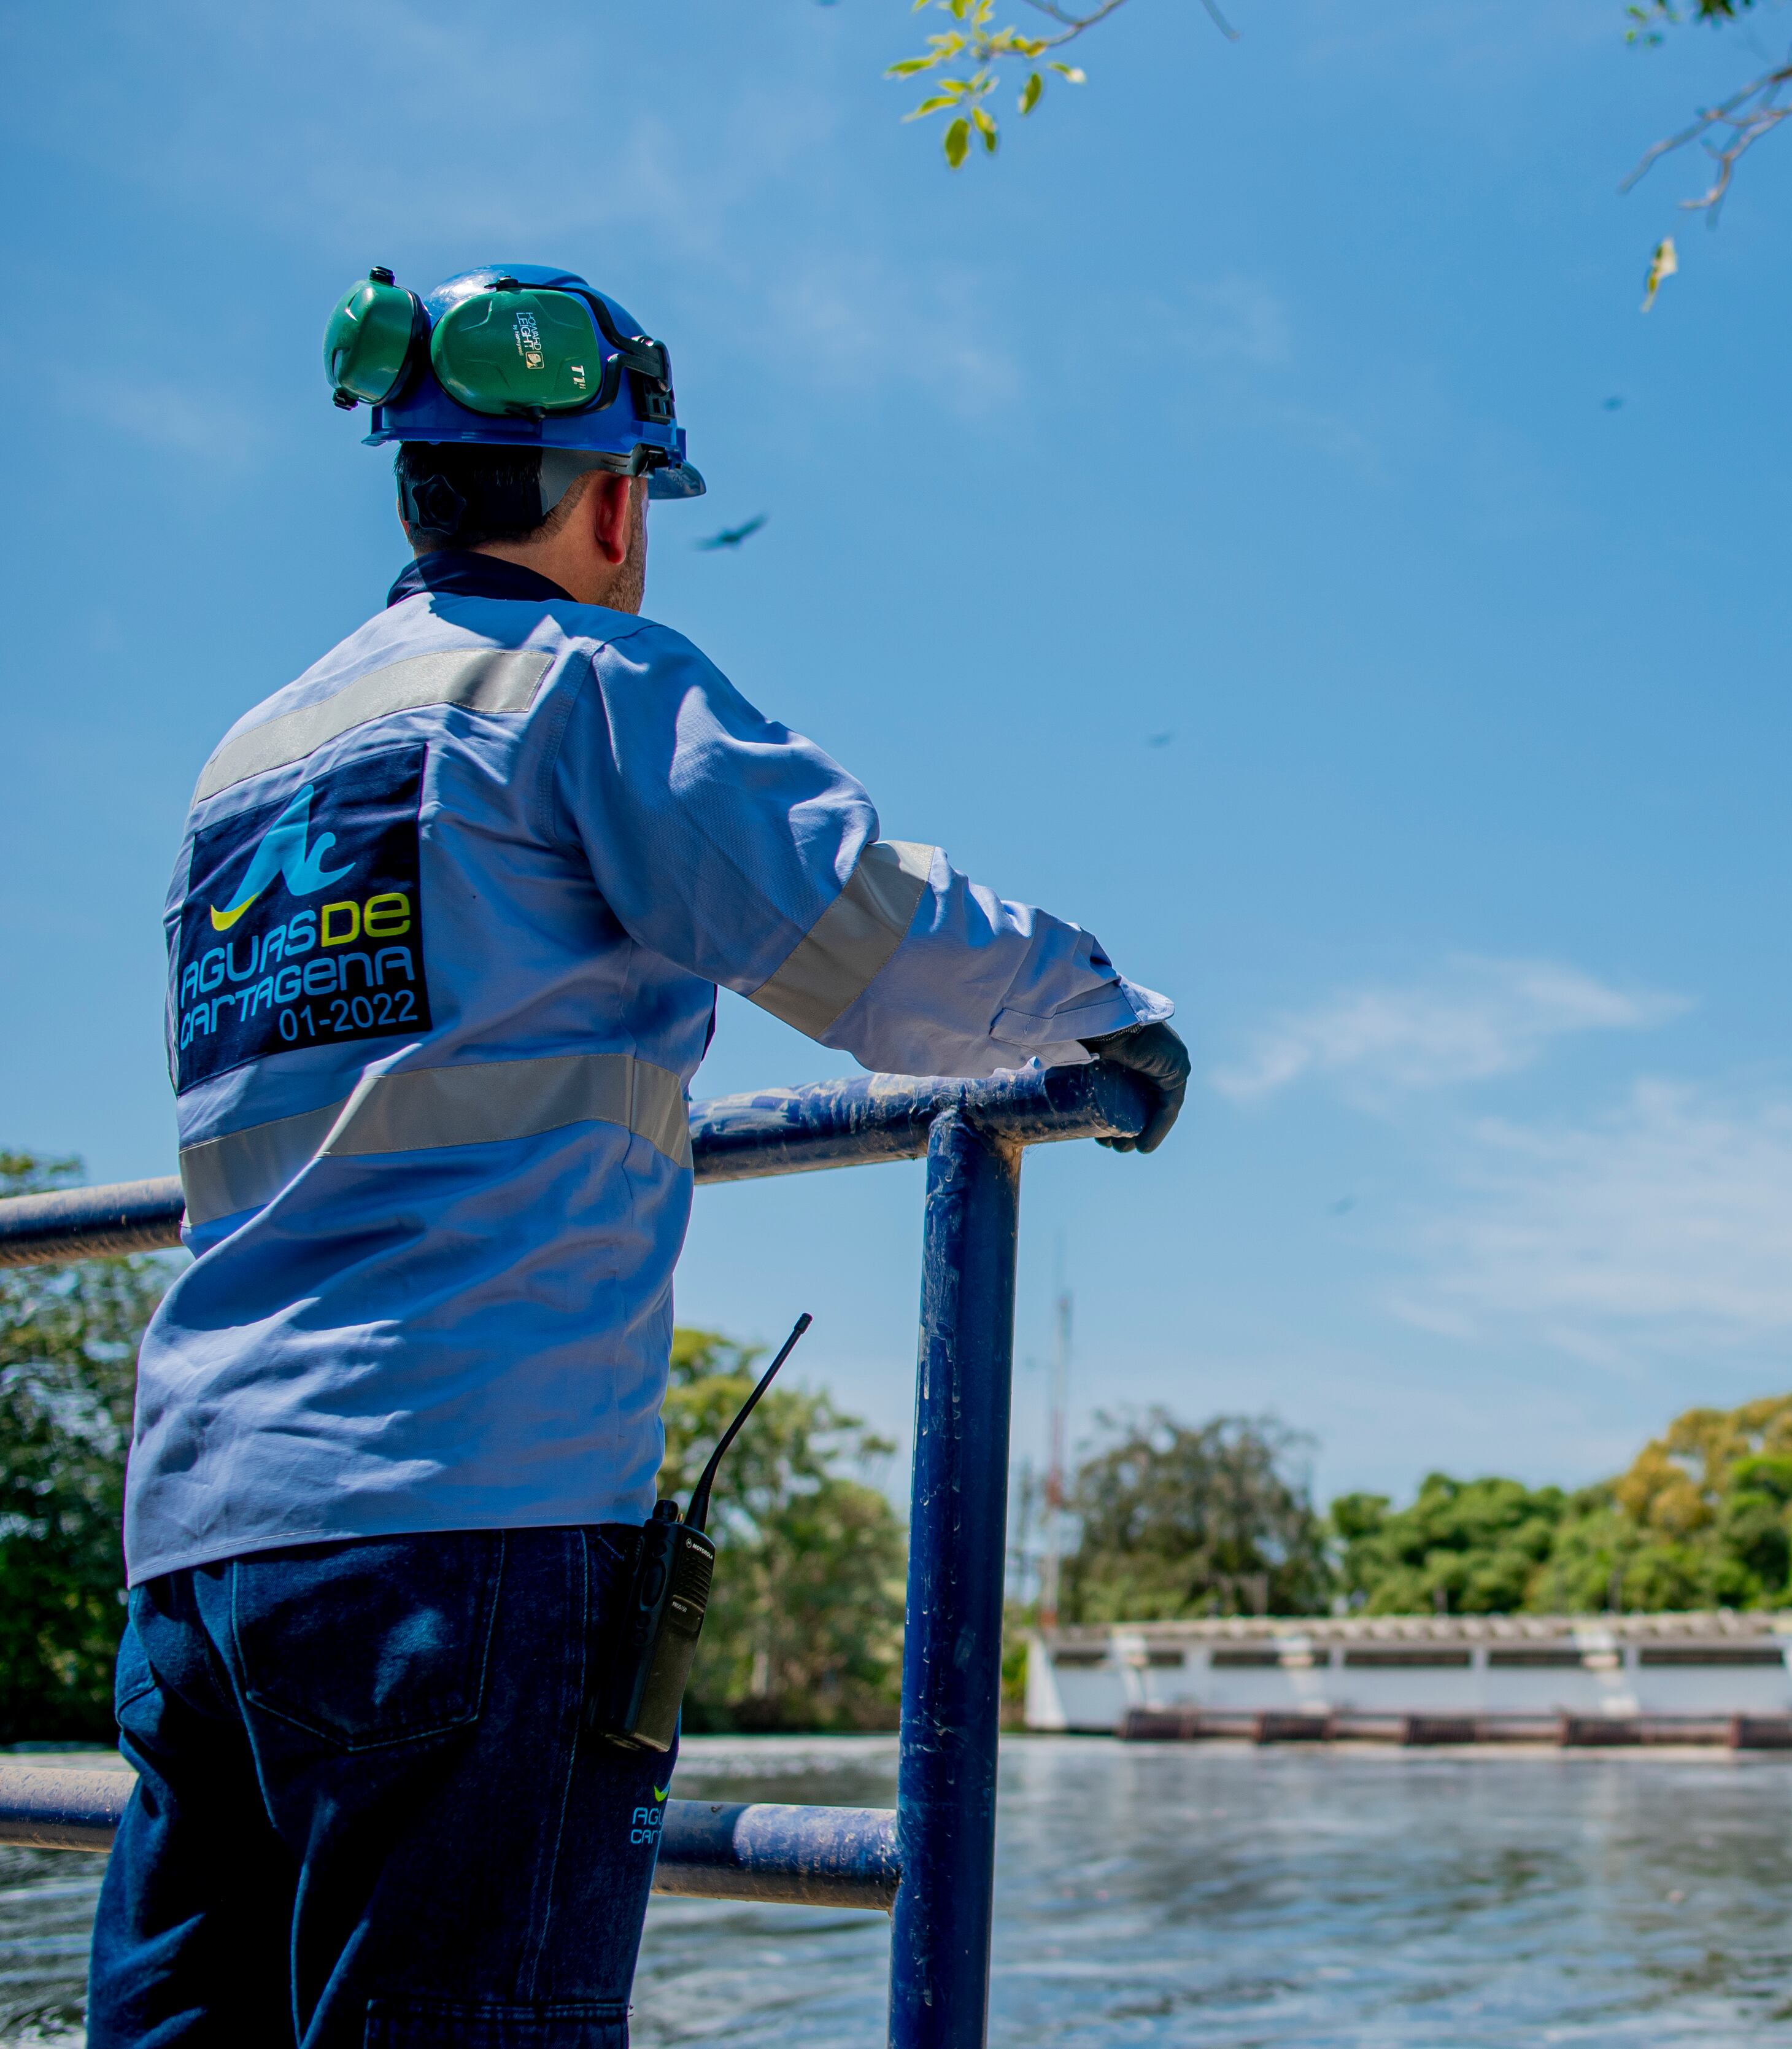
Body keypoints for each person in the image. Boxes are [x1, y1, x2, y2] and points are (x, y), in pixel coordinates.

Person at [86, 261, 1191, 2048]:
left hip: (198, 1555)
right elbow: (867, 944)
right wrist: (1107, 1011)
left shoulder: (250, 759)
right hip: (461, 1532)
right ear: (611, 500)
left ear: (413, 484)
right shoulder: (579, 683)